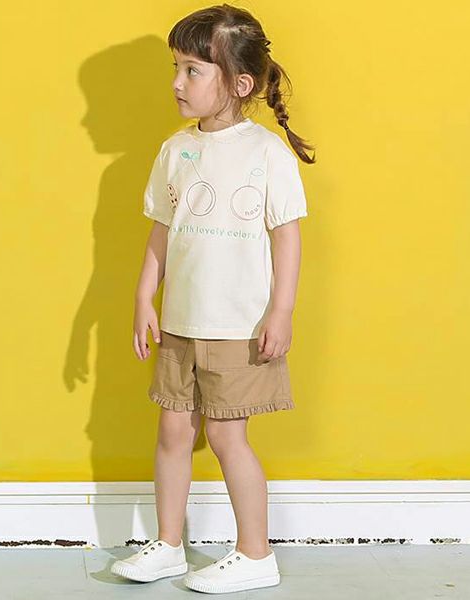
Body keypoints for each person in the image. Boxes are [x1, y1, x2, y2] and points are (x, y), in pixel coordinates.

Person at [111, 2, 316, 594]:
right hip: (180, 323)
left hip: (238, 328)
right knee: (173, 434)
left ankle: (256, 554)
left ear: (239, 83)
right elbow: (162, 231)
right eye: (175, 68)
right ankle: (168, 545)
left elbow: (287, 237)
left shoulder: (266, 153)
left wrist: (281, 310)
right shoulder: (175, 151)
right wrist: (144, 297)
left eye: (193, 70)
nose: (177, 82)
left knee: (228, 438)